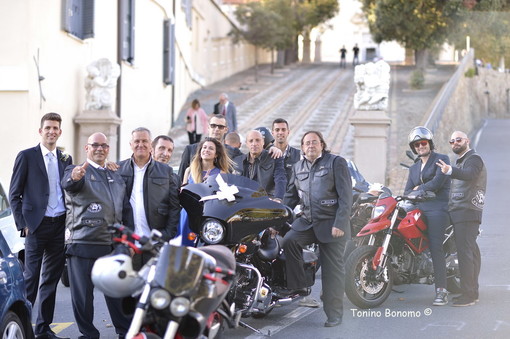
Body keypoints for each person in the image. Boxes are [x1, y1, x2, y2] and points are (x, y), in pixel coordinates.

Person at [9, 112, 72, 339]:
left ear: (60, 132)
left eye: (55, 128)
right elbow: (14, 194)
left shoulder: (66, 159)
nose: (51, 131)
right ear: (40, 131)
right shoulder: (26, 156)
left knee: (51, 281)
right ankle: (25, 328)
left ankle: (44, 328)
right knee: (31, 279)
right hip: (35, 226)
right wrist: (23, 224)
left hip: (59, 226)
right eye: (48, 128)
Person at [62, 132, 132, 339]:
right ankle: (89, 334)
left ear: (108, 149)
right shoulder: (76, 171)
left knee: (117, 293)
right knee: (83, 297)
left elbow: (125, 209)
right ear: (87, 148)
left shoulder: (115, 175)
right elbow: (69, 183)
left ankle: (124, 332)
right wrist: (74, 176)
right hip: (82, 242)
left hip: (112, 245)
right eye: (95, 145)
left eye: (104, 145)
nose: (99, 148)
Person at [282, 131, 352, 328]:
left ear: (322, 144)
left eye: (314, 142)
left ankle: (334, 314)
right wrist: (277, 218)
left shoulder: (335, 162)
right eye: (307, 143)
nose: (310, 145)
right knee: (289, 241)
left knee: (332, 272)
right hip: (307, 222)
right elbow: (290, 197)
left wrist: (340, 223)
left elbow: (346, 197)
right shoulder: (297, 167)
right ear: (302, 147)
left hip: (332, 224)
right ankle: (300, 286)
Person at [437, 130, 487, 307]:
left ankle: (469, 295)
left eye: (458, 139)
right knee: (468, 253)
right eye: (451, 141)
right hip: (460, 211)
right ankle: (471, 292)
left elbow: (470, 175)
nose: (454, 143)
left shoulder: (474, 159)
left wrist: (450, 170)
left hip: (467, 211)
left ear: (467, 140)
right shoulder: (462, 161)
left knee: (465, 254)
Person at [118, 128, 181, 267]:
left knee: (152, 287)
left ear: (151, 144)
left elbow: (174, 207)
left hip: (154, 244)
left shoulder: (165, 171)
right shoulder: (119, 169)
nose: (141, 144)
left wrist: (166, 235)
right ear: (131, 144)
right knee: (127, 287)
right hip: (128, 243)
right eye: (137, 141)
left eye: (144, 141)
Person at [404, 126, 451, 306]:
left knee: (435, 246)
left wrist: (419, 188)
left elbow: (438, 182)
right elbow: (407, 190)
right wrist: (414, 191)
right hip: (419, 209)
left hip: (437, 208)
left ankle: (441, 290)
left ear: (429, 143)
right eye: (416, 144)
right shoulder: (414, 168)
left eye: (423, 143)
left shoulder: (441, 159)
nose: (420, 146)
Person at [179, 138, 234, 245]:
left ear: (216, 154)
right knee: (184, 246)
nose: (206, 150)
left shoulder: (221, 172)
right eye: (204, 147)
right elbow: (183, 191)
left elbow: (223, 195)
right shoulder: (189, 170)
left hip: (207, 215)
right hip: (187, 214)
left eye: (210, 148)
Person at [178, 115, 242, 181]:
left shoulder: (234, 152)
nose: (216, 129)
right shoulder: (190, 150)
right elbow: (180, 178)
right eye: (213, 126)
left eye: (220, 127)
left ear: (226, 129)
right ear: (208, 127)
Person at [233, 130, 287, 200]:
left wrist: (278, 198)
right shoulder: (238, 161)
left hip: (266, 201)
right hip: (244, 203)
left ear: (263, 142)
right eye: (251, 141)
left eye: (257, 140)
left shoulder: (274, 158)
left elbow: (280, 178)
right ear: (246, 144)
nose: (254, 143)